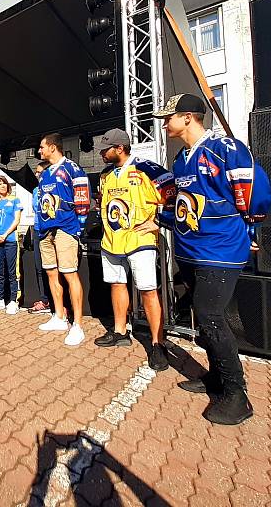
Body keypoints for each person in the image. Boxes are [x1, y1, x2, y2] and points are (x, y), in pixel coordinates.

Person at [151, 93, 269, 425]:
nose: (164, 124)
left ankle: (237, 394)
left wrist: (251, 232)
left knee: (211, 315)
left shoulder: (225, 149)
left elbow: (253, 192)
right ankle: (216, 379)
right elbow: (182, 204)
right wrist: (160, 220)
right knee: (203, 317)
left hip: (220, 250)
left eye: (168, 117)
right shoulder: (180, 160)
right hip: (190, 250)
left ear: (188, 118)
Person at [93, 128, 175, 372]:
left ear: (120, 148)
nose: (101, 154)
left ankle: (158, 343)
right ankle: (120, 331)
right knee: (116, 284)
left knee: (148, 290)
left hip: (140, 241)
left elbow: (173, 195)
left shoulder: (147, 168)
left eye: (105, 150)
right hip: (112, 241)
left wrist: (159, 221)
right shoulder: (106, 175)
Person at [35, 133, 91, 346]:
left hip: (66, 229)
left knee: (69, 274)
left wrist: (79, 228)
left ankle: (77, 325)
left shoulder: (72, 168)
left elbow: (83, 201)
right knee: (51, 272)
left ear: (52, 147)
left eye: (42, 147)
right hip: (46, 230)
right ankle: (59, 316)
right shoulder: (46, 173)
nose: (39, 151)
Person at [0, 176, 23, 315]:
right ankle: (0, 299)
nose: (2, 186)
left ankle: (13, 301)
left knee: (12, 271)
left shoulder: (15, 200)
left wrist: (5, 235)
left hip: (10, 240)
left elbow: (16, 220)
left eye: (4, 183)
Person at [27, 161, 52, 315]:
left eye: (39, 172)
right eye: (36, 172)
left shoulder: (53, 188)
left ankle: (57, 302)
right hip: (38, 229)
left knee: (52, 268)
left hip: (51, 231)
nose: (36, 175)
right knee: (39, 267)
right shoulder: (36, 190)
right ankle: (44, 300)